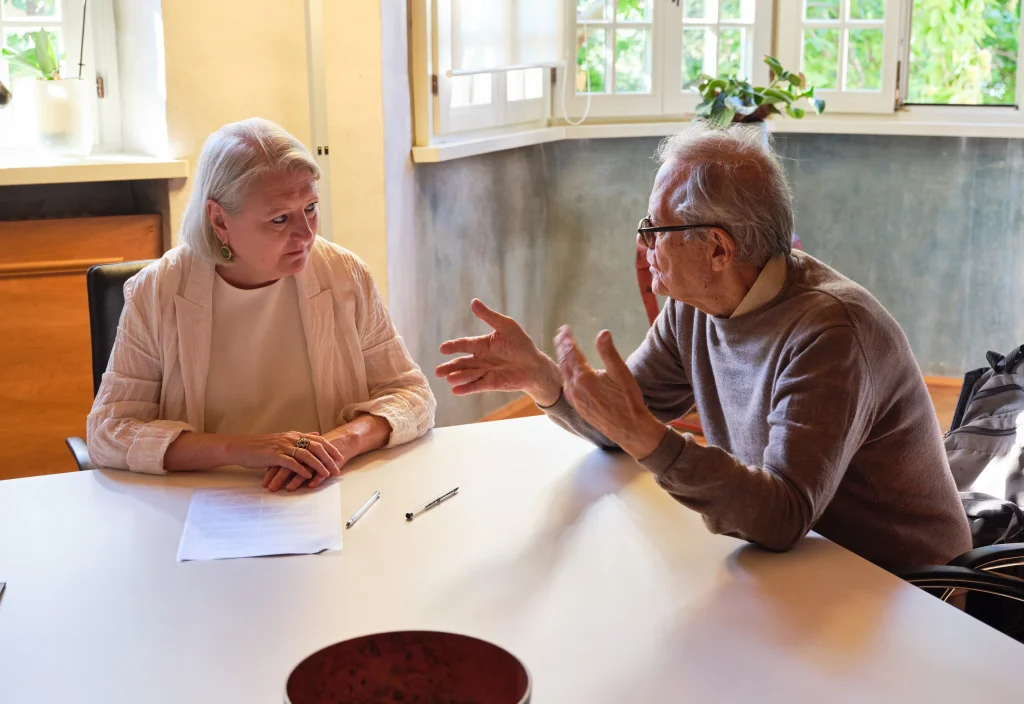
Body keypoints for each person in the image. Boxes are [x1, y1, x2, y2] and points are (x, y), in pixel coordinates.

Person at [437, 123, 972, 568]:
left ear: (718, 248)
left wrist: (648, 435)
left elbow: (782, 515)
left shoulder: (830, 333)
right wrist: (542, 377)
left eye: (655, 228)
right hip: (810, 570)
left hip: (905, 590)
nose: (643, 244)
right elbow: (623, 424)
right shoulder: (693, 309)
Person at [87, 118, 435, 492]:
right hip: (203, 500)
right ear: (219, 219)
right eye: (280, 218)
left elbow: (413, 396)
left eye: (311, 208)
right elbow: (109, 431)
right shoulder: (156, 291)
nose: (305, 234)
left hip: (323, 489)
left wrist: (335, 445)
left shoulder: (344, 275)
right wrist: (246, 450)